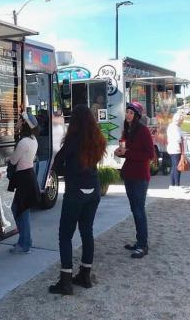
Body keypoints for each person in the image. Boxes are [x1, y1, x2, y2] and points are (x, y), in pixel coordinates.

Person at [49, 105, 106, 295]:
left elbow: (57, 163)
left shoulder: (73, 141)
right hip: (94, 190)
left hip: (76, 192)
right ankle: (85, 274)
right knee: (86, 231)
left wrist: (69, 172)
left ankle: (66, 280)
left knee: (65, 236)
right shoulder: (97, 140)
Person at [114, 102, 155, 259]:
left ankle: (143, 245)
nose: (128, 115)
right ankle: (139, 241)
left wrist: (128, 153)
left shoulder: (143, 131)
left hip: (140, 176)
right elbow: (126, 152)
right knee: (134, 209)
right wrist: (120, 153)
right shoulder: (128, 130)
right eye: (127, 112)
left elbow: (149, 154)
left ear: (137, 115)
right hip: (129, 175)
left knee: (139, 210)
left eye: (131, 113)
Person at [8, 112, 40, 254]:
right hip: (28, 177)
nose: (18, 122)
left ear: (25, 125)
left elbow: (14, 160)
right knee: (21, 210)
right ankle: (25, 241)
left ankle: (24, 243)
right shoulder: (33, 140)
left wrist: (9, 157)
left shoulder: (23, 142)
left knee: (20, 211)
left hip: (23, 178)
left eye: (21, 121)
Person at [166, 112, 186, 192]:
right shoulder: (176, 128)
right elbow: (179, 140)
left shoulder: (171, 126)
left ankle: (172, 184)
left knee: (174, 167)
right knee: (178, 167)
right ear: (179, 120)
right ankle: (177, 185)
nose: (182, 122)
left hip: (172, 148)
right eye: (182, 121)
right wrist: (182, 153)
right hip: (176, 149)